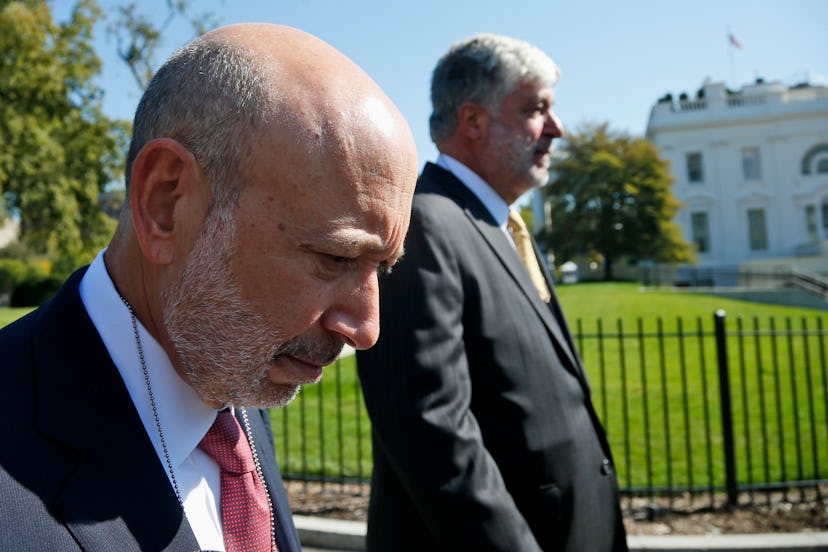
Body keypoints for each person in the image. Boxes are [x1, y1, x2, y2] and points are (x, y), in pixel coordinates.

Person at [0, 23, 417, 552]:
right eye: (334, 257)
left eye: (380, 267)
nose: (366, 329)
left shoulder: (225, 367)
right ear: (166, 202)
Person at [357, 33, 628, 551]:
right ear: (473, 122)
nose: (557, 129)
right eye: (535, 110)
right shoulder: (424, 225)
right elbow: (428, 429)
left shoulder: (498, 224)